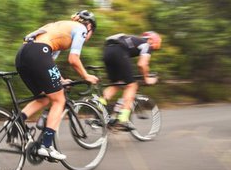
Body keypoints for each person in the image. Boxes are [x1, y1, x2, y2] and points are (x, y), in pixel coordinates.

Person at [14, 10, 99, 160]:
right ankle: (46, 146)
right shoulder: (81, 29)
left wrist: (60, 79)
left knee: (44, 98)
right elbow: (73, 59)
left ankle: (13, 128)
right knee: (59, 100)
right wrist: (86, 76)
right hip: (39, 52)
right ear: (89, 27)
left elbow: (48, 61)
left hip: (23, 54)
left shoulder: (60, 26)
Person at [99, 31, 162, 130]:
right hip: (119, 51)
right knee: (132, 86)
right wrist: (146, 79)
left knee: (116, 84)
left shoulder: (135, 41)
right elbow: (142, 64)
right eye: (154, 46)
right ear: (151, 40)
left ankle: (97, 107)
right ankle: (123, 120)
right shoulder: (147, 45)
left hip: (107, 51)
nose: (152, 49)